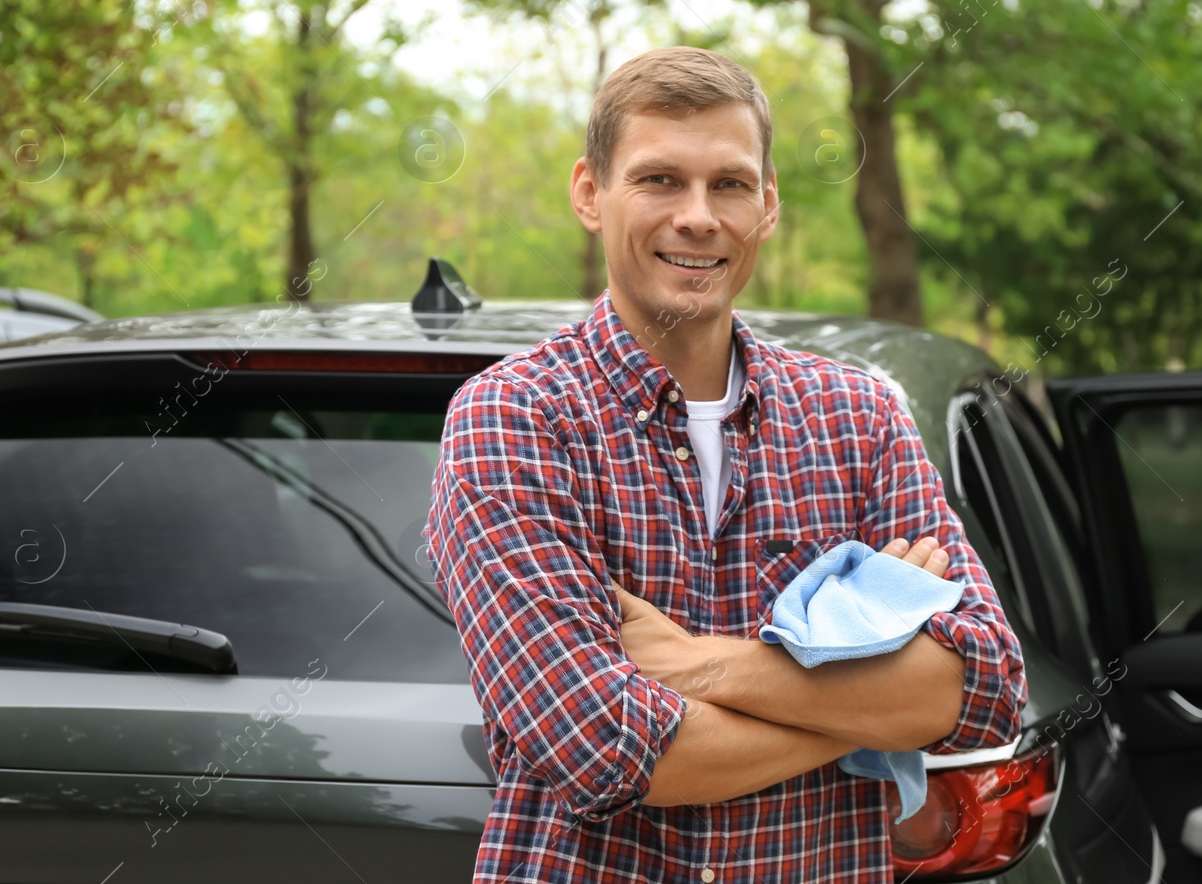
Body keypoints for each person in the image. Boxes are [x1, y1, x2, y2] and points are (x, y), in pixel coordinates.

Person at [424, 46, 1025, 883]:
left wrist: (696, 663)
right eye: (660, 180)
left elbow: (984, 689)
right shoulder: (515, 418)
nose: (699, 216)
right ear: (590, 193)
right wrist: (872, 708)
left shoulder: (859, 416)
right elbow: (601, 748)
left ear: (768, 205)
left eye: (730, 184)